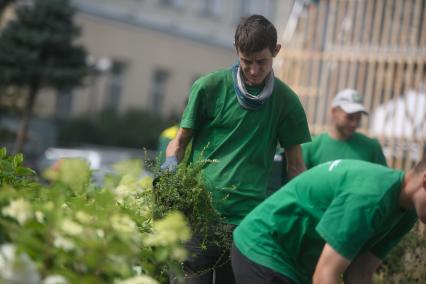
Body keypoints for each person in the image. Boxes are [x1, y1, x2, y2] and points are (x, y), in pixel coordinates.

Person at [162, 14, 311, 284]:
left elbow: (296, 166)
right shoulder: (209, 87)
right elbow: (180, 141)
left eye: (261, 62)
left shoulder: (286, 102)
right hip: (198, 219)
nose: (253, 70)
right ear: (236, 51)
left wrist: (306, 210)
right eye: (246, 62)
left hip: (248, 225)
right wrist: (170, 163)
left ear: (276, 51)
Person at [232, 158, 426, 284]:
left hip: (295, 265)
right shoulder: (369, 197)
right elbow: (325, 277)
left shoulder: (406, 213)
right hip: (264, 248)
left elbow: (359, 273)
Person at [302, 89, 387, 168]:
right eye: (349, 117)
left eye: (358, 118)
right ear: (333, 111)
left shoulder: (372, 147)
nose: (354, 123)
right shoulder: (310, 147)